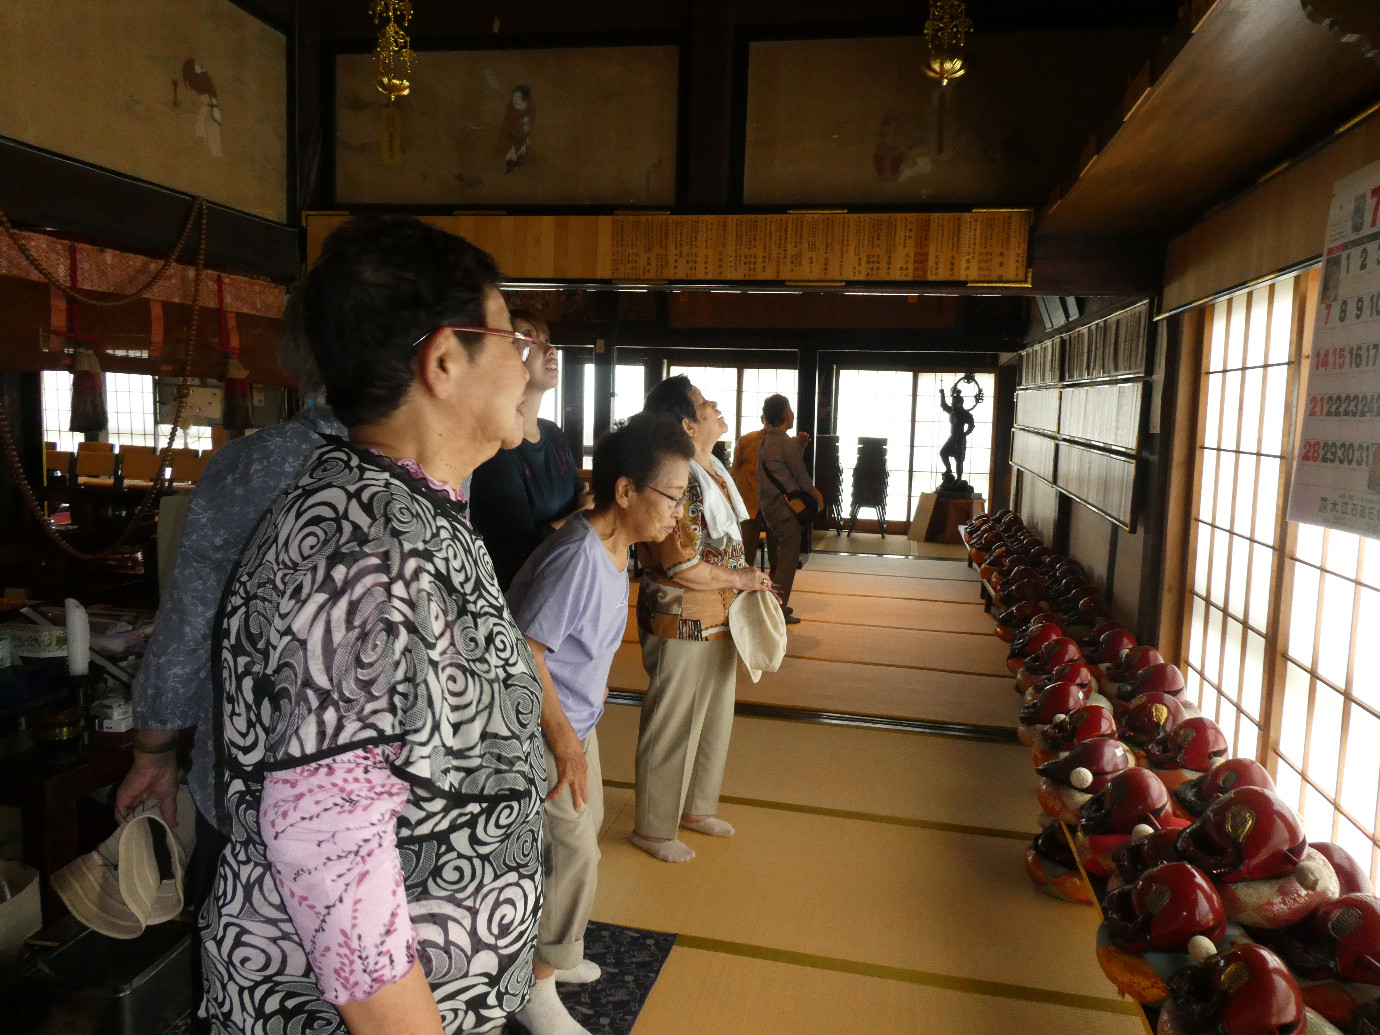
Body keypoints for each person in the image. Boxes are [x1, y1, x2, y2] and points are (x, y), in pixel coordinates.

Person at [201, 214, 545, 1035]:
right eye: (512, 339)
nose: (530, 366)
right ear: (444, 360)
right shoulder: (371, 548)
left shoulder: (406, 506)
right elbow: (327, 845)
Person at [117, 288, 346, 922]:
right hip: (388, 807)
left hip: (250, 781)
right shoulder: (431, 471)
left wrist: (153, 749)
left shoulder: (256, 462)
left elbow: (193, 616)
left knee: (247, 975)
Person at [505, 412, 694, 1035]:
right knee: (574, 852)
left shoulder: (620, 549)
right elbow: (525, 656)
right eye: (671, 496)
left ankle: (552, 959)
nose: (677, 511)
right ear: (625, 491)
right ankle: (536, 987)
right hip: (542, 728)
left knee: (573, 848)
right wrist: (564, 743)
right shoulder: (578, 558)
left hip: (576, 721)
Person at [633, 375, 773, 863]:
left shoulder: (712, 468)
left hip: (719, 612)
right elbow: (678, 563)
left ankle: (695, 807)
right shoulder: (678, 474)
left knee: (715, 715)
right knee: (673, 722)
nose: (715, 406)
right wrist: (740, 581)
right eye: (703, 402)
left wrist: (745, 580)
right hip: (683, 614)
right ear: (688, 424)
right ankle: (653, 826)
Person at [470, 309, 587, 590]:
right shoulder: (496, 446)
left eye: (547, 339)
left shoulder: (554, 435)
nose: (550, 349)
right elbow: (516, 552)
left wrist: (572, 518)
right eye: (529, 338)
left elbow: (583, 499)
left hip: (562, 583)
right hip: (518, 596)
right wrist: (577, 517)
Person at [756, 394, 823, 624]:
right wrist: (816, 495)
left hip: (769, 508)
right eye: (790, 409)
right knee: (788, 558)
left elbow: (782, 470)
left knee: (778, 555)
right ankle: (776, 610)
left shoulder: (767, 441)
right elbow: (800, 477)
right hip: (786, 509)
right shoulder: (784, 441)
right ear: (785, 414)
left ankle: (771, 605)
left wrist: (800, 447)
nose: (793, 413)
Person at [730, 417, 768, 569]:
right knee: (746, 547)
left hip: (774, 501)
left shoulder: (786, 443)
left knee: (778, 551)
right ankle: (743, 585)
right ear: (762, 419)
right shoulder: (747, 440)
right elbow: (736, 470)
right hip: (748, 500)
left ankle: (771, 588)